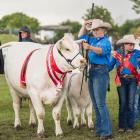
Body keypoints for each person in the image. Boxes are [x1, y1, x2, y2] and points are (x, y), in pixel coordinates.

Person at [78, 19, 112, 140]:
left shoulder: (105, 41)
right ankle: (99, 130)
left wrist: (90, 47)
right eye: (93, 30)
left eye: (97, 29)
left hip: (101, 71)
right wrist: (84, 25)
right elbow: (81, 36)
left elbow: (101, 51)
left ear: (103, 30)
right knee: (96, 104)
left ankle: (107, 132)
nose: (95, 32)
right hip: (92, 71)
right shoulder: (92, 39)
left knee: (101, 104)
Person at [109, 35, 140, 133]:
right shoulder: (117, 54)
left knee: (130, 104)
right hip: (121, 80)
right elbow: (109, 67)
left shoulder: (138, 53)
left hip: (132, 80)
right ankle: (122, 126)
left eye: (132, 44)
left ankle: (130, 126)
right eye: (129, 44)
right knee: (122, 104)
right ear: (124, 44)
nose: (131, 46)